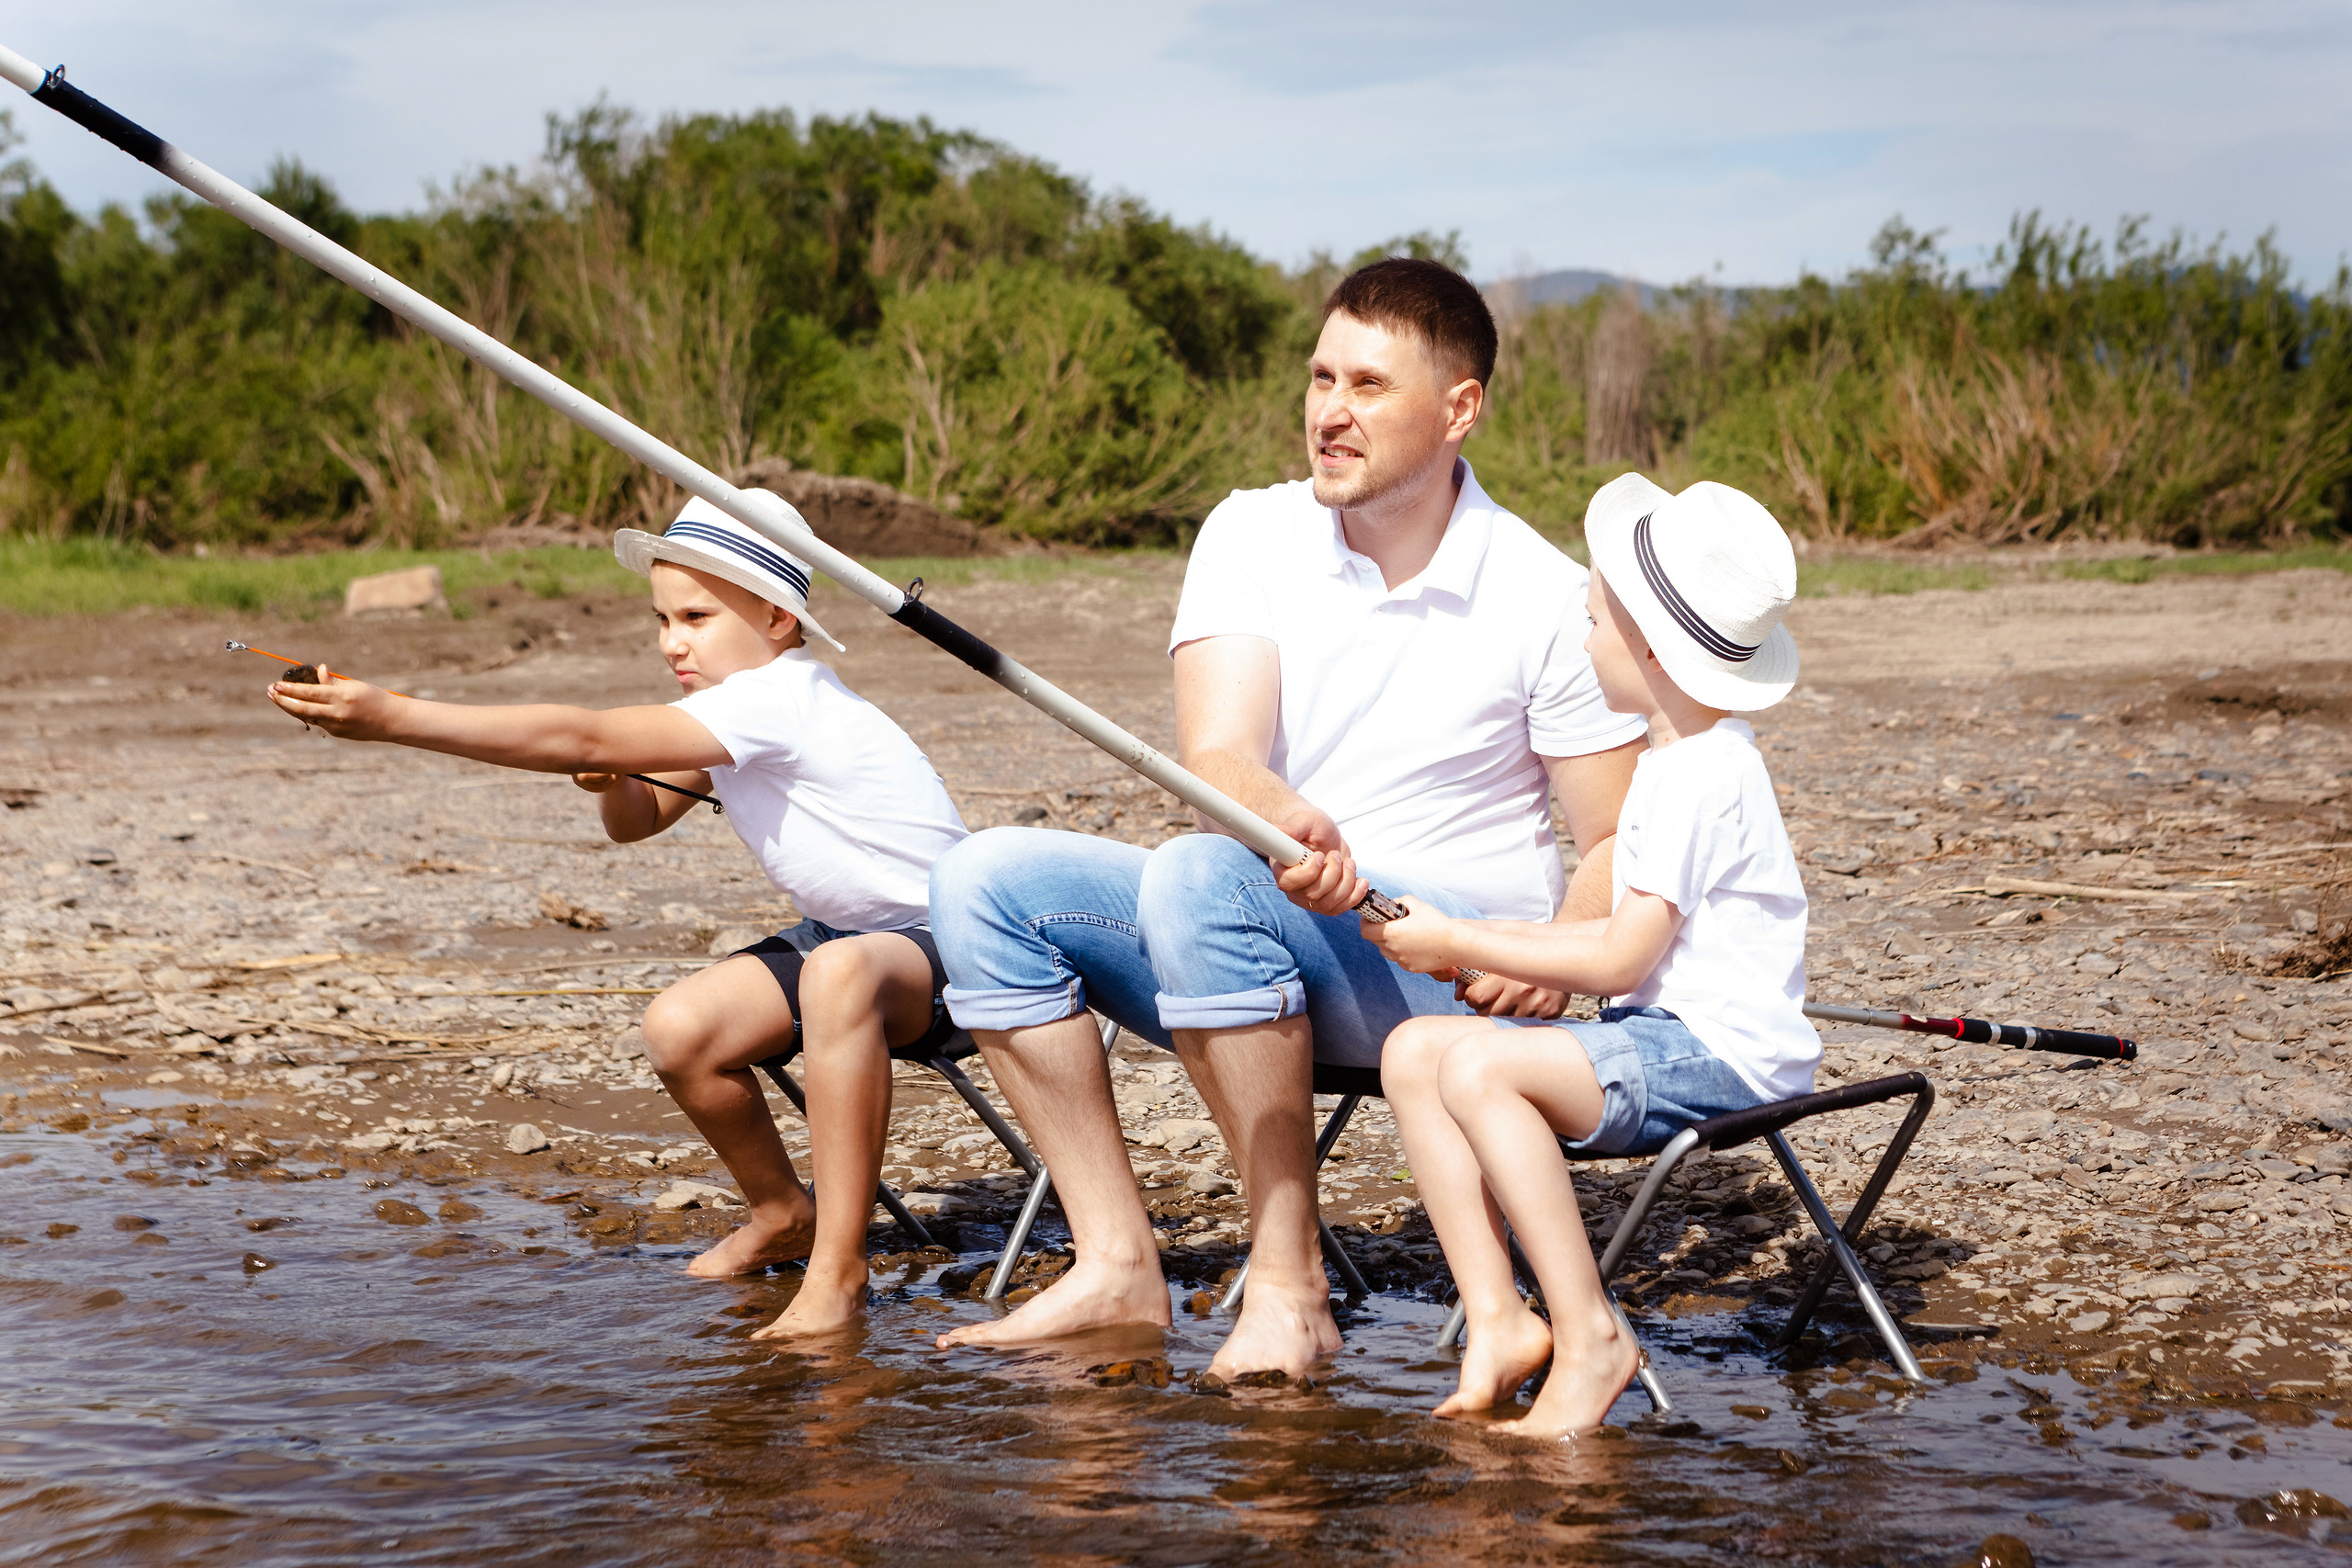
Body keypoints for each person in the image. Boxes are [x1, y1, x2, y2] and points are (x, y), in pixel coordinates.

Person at [928, 258, 1647, 1377]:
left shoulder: (1541, 593)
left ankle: (1287, 1280)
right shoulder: (1251, 531)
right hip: (1256, 918)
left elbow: (1614, 837)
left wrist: (1553, 957)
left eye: (1367, 384)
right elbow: (1218, 755)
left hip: (1442, 972)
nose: (1329, 411)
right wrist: (1282, 823)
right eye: (1320, 377)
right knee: (986, 881)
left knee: (1196, 877)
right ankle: (1117, 1262)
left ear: (1459, 409)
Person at [266, 495, 968, 1336]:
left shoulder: (781, 700)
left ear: (780, 615)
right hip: (843, 943)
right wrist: (612, 781)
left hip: (951, 947)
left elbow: (587, 735)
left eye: (698, 617)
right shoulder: (736, 703)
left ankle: (838, 1270)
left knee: (835, 973)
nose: (673, 640)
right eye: (662, 618)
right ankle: (785, 1211)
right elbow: (634, 820)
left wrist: (396, 718)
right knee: (680, 1029)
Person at [1368, 473, 1815, 1437]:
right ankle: (1498, 1319)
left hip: (1720, 1057)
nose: (1582, 636)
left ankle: (1591, 1334)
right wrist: (1509, 949)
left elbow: (1618, 962)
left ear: (1647, 644)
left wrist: (1455, 937)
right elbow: (1616, 949)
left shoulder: (1703, 775)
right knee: (1414, 1054)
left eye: (1595, 620)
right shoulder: (1670, 765)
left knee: (1482, 1062)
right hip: (1659, 1038)